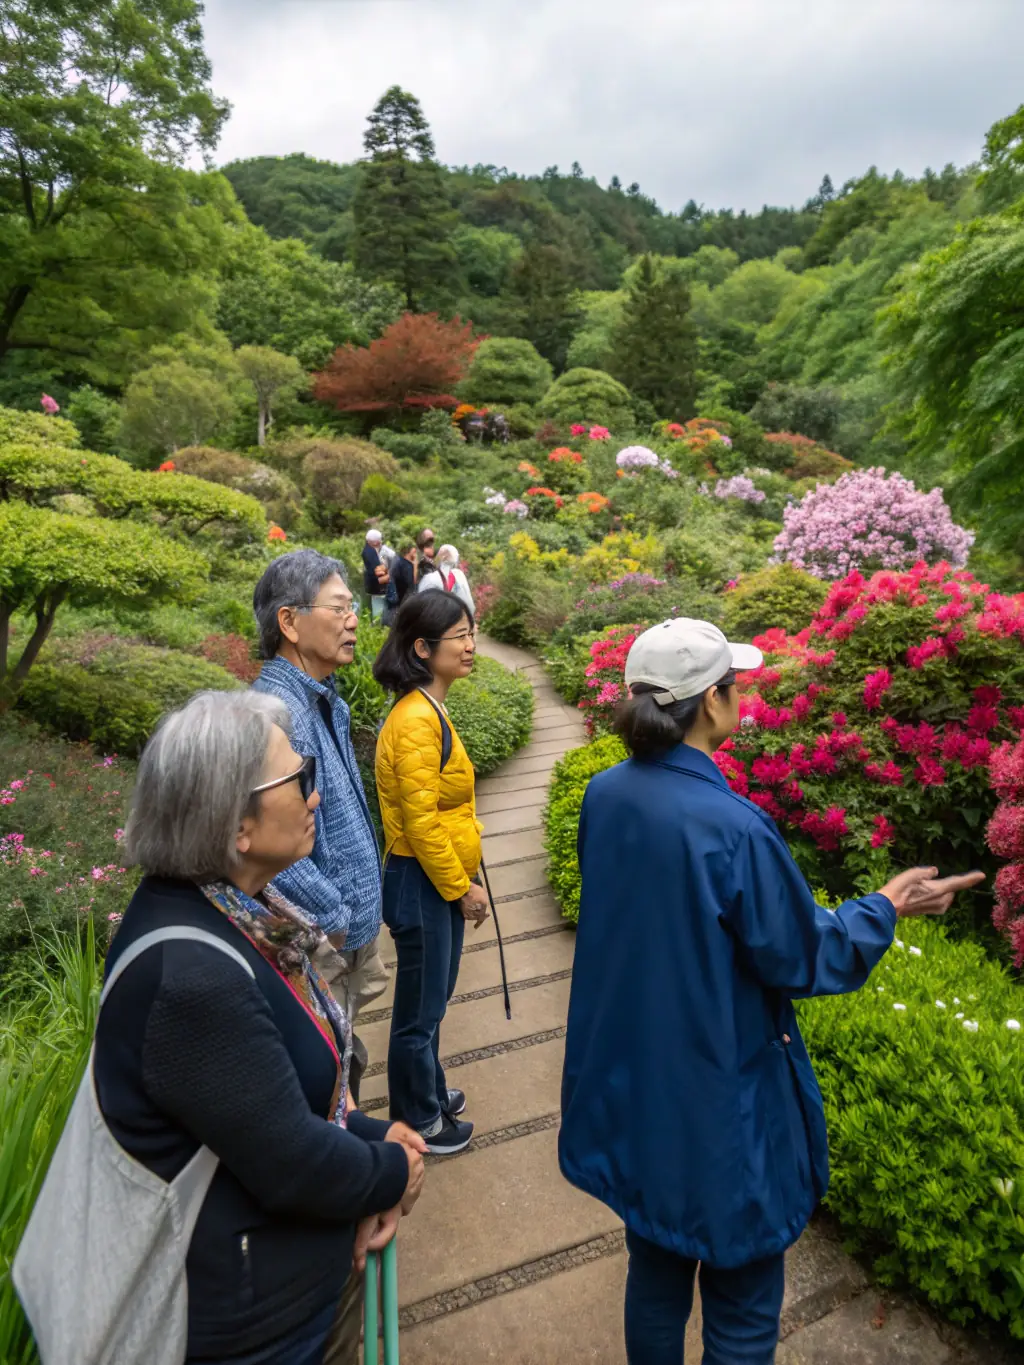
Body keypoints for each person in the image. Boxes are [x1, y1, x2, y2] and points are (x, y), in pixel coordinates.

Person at [559, 617, 985, 1365]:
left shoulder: (604, 795)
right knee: (744, 1304)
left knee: (655, 1272)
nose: (742, 697)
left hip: (636, 1089)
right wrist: (886, 905)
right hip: (719, 1110)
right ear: (713, 701)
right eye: (736, 685)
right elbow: (801, 955)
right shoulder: (734, 827)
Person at [95, 689, 427, 1364]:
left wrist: (373, 1134)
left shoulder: (234, 911)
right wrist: (394, 1167)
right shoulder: (192, 974)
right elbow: (292, 1162)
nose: (316, 796)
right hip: (256, 1330)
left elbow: (263, 1102)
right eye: (298, 778)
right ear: (235, 825)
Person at [252, 550, 387, 1094]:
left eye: (354, 607)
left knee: (343, 1053)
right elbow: (265, 840)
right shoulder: (276, 711)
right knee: (325, 1072)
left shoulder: (320, 699)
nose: (354, 620)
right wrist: (331, 912)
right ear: (289, 621)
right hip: (321, 937)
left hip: (342, 929)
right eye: (339, 608)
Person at [372, 591, 489, 1155]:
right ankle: (419, 1120)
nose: (470, 645)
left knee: (432, 1003)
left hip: (430, 877)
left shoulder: (428, 706)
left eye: (472, 632)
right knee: (418, 1014)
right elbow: (420, 823)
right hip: (420, 879)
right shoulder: (417, 719)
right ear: (422, 647)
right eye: (459, 635)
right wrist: (461, 887)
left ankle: (431, 1092)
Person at [418, 543, 475, 616]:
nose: (434, 559)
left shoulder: (430, 578)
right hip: (462, 620)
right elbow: (470, 607)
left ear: (443, 557)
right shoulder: (459, 575)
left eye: (437, 555)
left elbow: (421, 605)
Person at [382, 541, 417, 627]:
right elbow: (411, 586)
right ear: (410, 551)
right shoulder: (407, 566)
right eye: (414, 551)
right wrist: (415, 564)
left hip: (392, 602)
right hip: (399, 605)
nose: (416, 553)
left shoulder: (397, 560)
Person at [362, 529, 389, 623]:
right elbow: (376, 572)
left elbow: (380, 565)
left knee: (380, 609)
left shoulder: (372, 550)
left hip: (376, 586)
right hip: (376, 587)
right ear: (374, 542)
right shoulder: (369, 553)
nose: (380, 542)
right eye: (379, 540)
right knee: (378, 612)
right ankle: (378, 628)